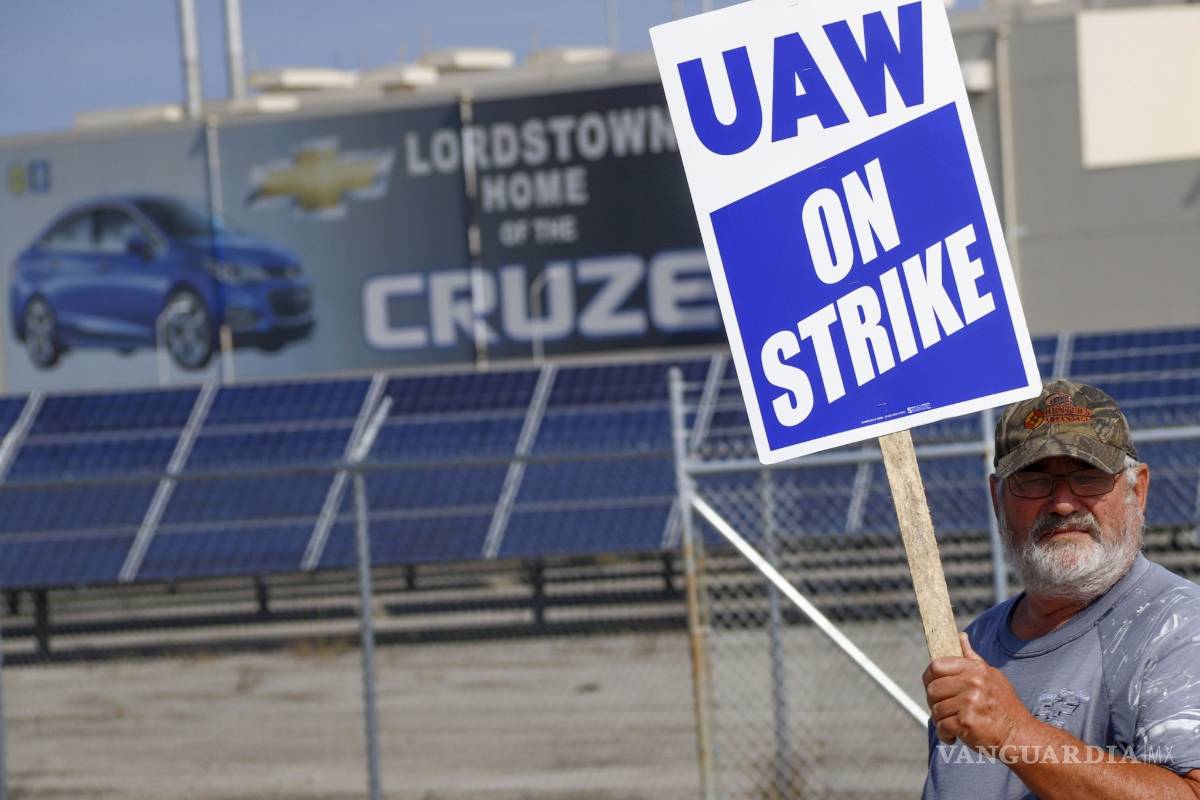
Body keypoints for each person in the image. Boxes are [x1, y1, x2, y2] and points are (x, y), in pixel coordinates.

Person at [922, 380, 1200, 799]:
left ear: (1137, 490)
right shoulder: (975, 646)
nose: (1063, 504)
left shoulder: (1179, 627)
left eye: (1088, 477)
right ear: (998, 498)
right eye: (1034, 480)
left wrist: (1014, 732)